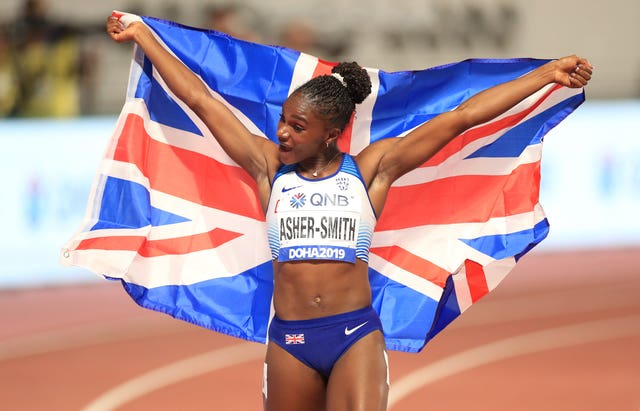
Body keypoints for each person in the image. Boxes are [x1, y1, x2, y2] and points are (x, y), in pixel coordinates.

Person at [106, 12, 592, 411]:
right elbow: (197, 99)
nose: (283, 134)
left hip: (354, 335)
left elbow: (461, 118)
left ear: (330, 133)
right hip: (290, 340)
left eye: (298, 127)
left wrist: (545, 75)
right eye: (282, 121)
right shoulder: (267, 168)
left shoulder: (372, 170)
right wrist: (145, 36)